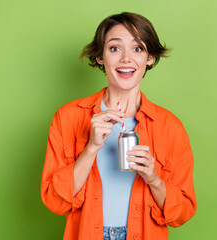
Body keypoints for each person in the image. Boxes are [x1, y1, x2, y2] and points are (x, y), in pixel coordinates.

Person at [41, 12, 196, 240]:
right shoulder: (68, 118)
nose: (126, 59)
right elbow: (55, 202)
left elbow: (181, 213)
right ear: (101, 57)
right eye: (114, 48)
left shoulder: (170, 127)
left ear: (150, 57)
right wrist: (91, 148)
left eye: (138, 48)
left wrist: (153, 178)